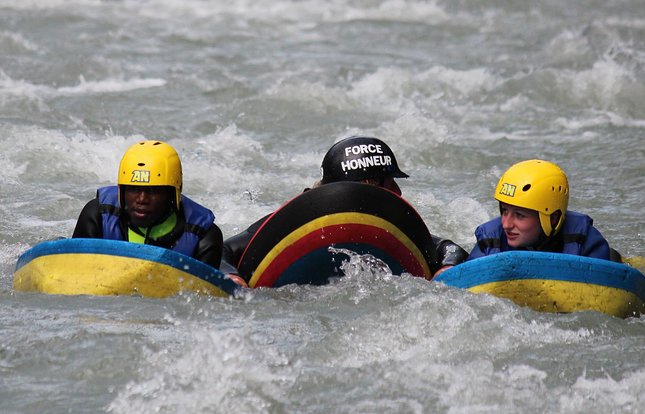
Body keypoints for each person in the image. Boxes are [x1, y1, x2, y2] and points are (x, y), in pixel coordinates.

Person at [223, 136, 468, 274]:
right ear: (371, 185)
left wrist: (444, 271)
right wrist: (232, 277)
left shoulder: (393, 231)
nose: (399, 191)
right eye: (391, 182)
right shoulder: (289, 222)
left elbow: (450, 250)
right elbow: (223, 252)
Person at [72, 140, 229, 271]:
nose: (142, 199)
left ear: (172, 194)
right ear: (122, 191)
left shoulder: (203, 236)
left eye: (153, 191)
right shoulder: (98, 215)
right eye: (133, 189)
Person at [467, 159, 620, 262]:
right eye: (505, 211)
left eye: (520, 215)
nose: (506, 224)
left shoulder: (585, 241)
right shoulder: (488, 242)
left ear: (552, 219)